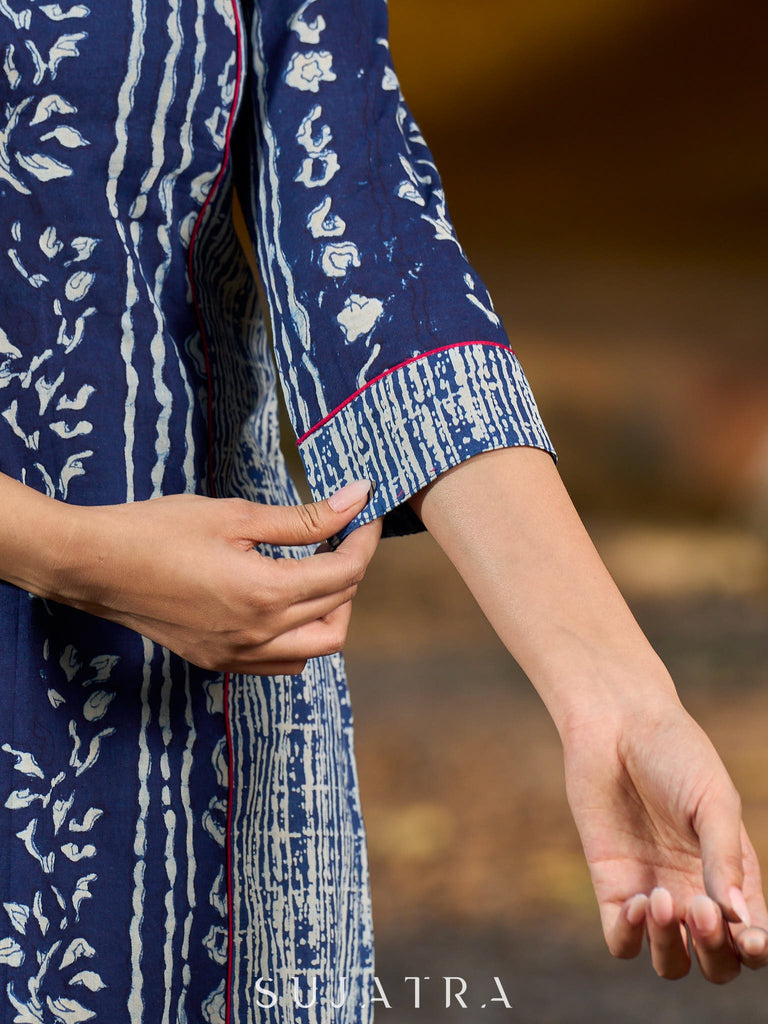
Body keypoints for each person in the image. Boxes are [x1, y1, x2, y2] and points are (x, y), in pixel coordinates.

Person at [0, 2, 765, 1022]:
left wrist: (616, 698)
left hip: (154, 735)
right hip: (129, 606)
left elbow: (364, 222)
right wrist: (67, 551)